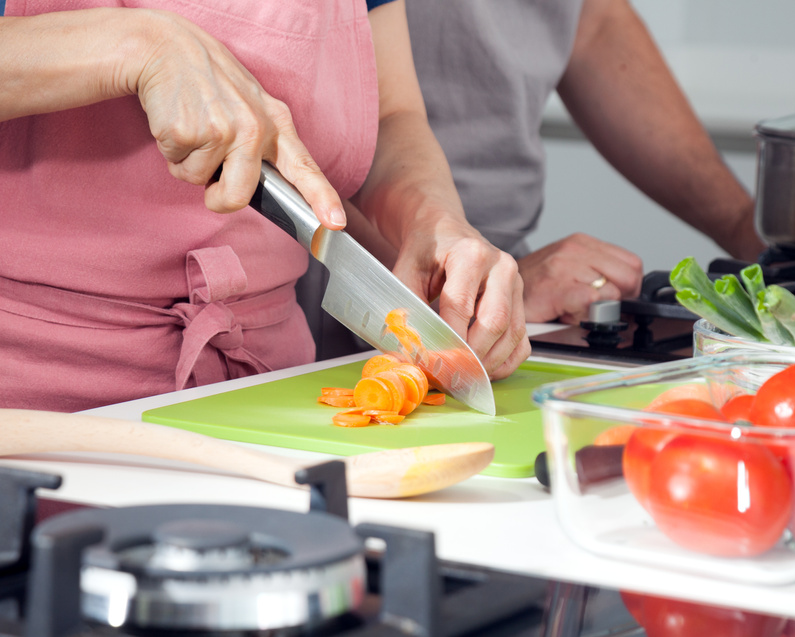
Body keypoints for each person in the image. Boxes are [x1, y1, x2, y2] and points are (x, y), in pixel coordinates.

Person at [0, 0, 528, 413]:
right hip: (38, 404)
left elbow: (389, 114)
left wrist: (435, 222)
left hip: (268, 385)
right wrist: (141, 44)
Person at [402, 0, 766, 325]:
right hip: (384, 294)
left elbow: (591, 20)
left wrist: (743, 228)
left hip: (495, 284)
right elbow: (382, 121)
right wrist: (455, 288)